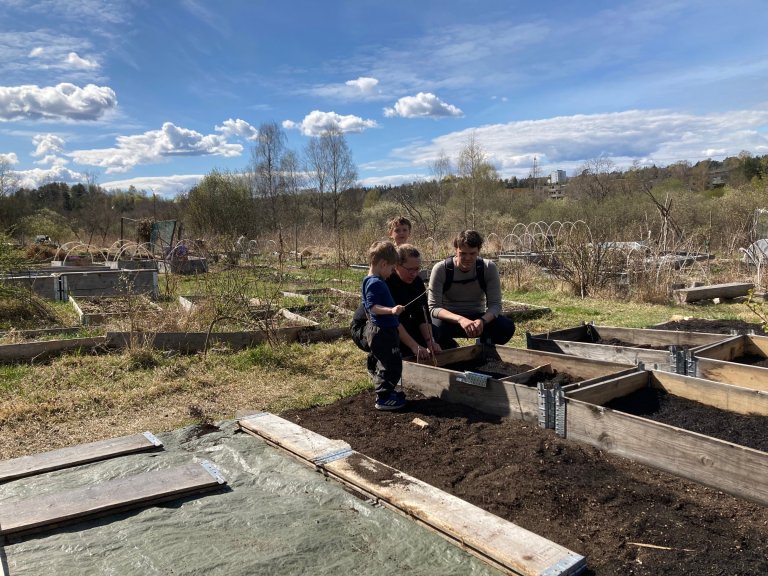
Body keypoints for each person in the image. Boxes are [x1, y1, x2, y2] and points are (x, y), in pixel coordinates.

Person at [428, 230, 515, 348]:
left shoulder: (488, 267)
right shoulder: (441, 269)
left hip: (478, 317)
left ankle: (485, 347)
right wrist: (460, 319)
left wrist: (482, 321)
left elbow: (495, 305)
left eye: (472, 254)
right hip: (450, 319)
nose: (467, 258)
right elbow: (434, 308)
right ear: (456, 250)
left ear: (479, 251)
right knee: (432, 330)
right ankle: (451, 350)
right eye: (463, 253)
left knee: (506, 327)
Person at [362, 241, 407, 411]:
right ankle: (383, 398)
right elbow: (373, 307)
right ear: (383, 264)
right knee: (391, 364)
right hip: (383, 331)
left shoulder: (368, 280)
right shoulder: (376, 283)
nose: (391, 273)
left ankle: (387, 392)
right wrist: (392, 310)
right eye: (391, 269)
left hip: (380, 329)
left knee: (389, 361)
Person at [386, 244, 442, 360]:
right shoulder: (386, 282)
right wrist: (414, 345)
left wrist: (430, 341)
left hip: (404, 321)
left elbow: (422, 315)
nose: (414, 274)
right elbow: (391, 320)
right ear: (396, 265)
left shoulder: (417, 283)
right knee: (390, 336)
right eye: (410, 269)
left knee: (434, 333)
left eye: (417, 269)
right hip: (379, 324)